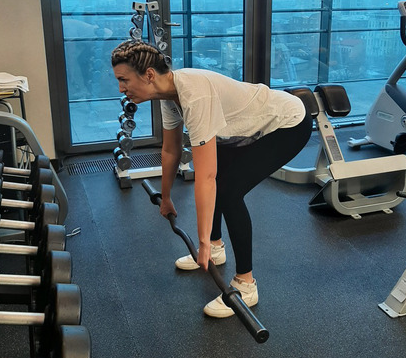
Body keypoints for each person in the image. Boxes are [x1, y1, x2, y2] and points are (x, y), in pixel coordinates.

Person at [111, 40, 313, 318]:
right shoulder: (169, 96)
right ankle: (217, 248)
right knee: (220, 183)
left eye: (124, 80)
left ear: (148, 75)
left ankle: (246, 284)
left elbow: (206, 177)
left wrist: (202, 241)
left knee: (229, 191)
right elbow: (170, 150)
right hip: (239, 130)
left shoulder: (194, 96)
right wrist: (166, 197)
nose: (121, 88)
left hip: (287, 123)